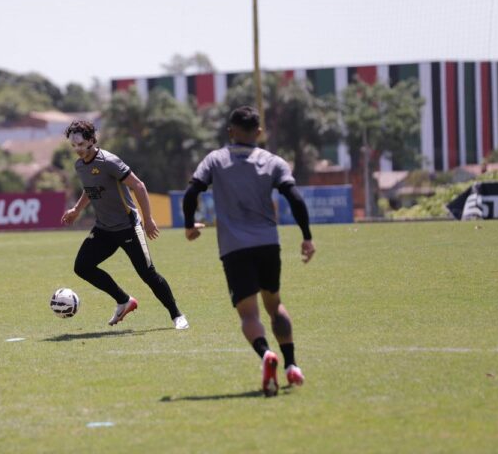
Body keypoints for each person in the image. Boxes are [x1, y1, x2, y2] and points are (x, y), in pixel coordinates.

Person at [182, 106, 315, 397]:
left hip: (234, 248)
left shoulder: (215, 159)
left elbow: (192, 192)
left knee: (249, 315)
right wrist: (307, 237)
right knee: (275, 305)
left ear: (230, 131)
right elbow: (294, 197)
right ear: (259, 132)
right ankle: (292, 365)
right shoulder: (273, 161)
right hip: (268, 244)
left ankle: (266, 354)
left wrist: (190, 224)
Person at [61, 120, 188, 330]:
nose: (78, 150)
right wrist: (76, 210)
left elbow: (139, 185)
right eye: (74, 146)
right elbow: (90, 189)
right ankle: (123, 300)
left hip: (128, 227)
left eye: (81, 145)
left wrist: (148, 220)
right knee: (82, 267)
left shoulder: (109, 161)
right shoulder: (79, 165)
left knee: (148, 274)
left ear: (92, 140)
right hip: (104, 228)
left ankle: (177, 315)